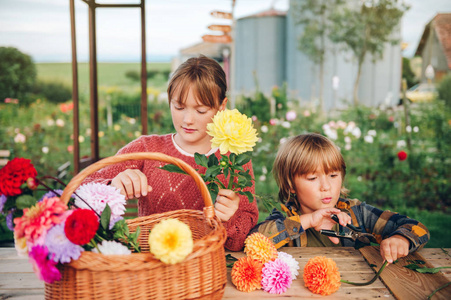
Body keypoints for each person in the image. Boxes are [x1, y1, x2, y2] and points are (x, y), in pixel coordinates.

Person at [84, 55, 258, 251]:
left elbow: (237, 243)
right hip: (155, 270)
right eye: (179, 107)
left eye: (201, 110)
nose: (188, 119)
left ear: (222, 106)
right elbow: (79, 193)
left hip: (207, 271)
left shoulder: (234, 160)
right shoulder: (146, 149)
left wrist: (231, 217)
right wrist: (112, 186)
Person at [251, 133, 429, 263]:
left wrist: (400, 239)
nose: (326, 186)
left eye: (333, 176)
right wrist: (309, 220)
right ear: (291, 186)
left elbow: (417, 228)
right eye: (313, 178)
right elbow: (254, 241)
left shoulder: (357, 213)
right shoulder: (284, 219)